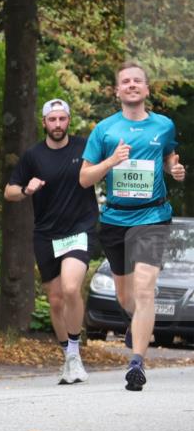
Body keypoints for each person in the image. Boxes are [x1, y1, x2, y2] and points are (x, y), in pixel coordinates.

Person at [80, 61, 186, 391]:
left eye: (137, 81)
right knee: (126, 297)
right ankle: (134, 321)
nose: (131, 85)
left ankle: (137, 363)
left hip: (153, 216)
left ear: (146, 89)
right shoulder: (105, 130)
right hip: (115, 219)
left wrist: (173, 168)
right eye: (125, 81)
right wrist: (112, 161)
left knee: (144, 288)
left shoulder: (163, 125)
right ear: (117, 91)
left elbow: (168, 156)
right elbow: (84, 178)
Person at [5, 98, 98, 384]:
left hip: (80, 229)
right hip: (46, 235)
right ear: (44, 123)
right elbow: (9, 191)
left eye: (62, 118)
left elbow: (106, 166)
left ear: (69, 120)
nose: (58, 124)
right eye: (52, 119)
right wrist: (26, 189)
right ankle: (69, 357)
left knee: (70, 288)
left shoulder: (85, 147)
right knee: (56, 301)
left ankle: (75, 354)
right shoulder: (33, 156)